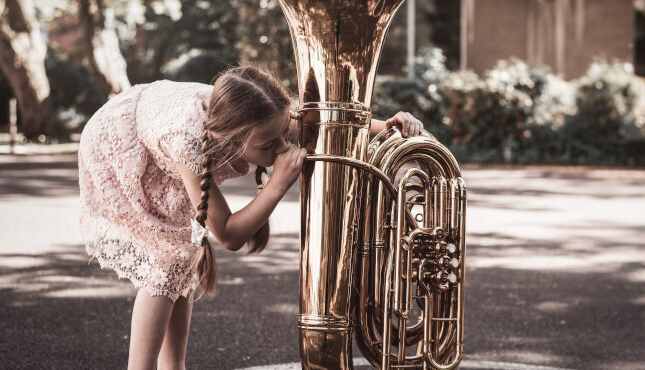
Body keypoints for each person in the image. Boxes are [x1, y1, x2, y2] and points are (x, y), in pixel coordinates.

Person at [77, 63, 424, 369]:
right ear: (231, 139)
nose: (282, 148)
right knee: (168, 261)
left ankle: (174, 367)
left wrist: (388, 126)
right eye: (267, 145)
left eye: (281, 135)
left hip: (158, 119)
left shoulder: (265, 119)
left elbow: (319, 123)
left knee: (180, 260)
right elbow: (227, 235)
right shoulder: (186, 142)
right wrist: (276, 187)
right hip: (121, 143)